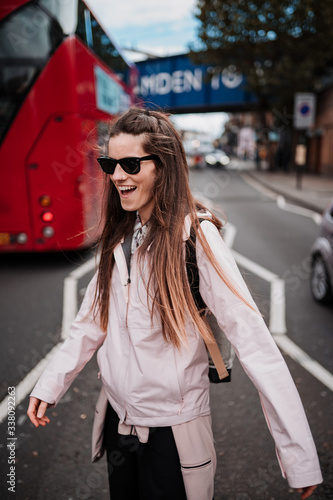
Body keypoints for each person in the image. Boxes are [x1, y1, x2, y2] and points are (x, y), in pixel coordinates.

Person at [27, 107, 322, 499]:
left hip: (174, 433)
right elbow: (90, 322)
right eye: (110, 163)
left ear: (163, 166)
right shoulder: (119, 237)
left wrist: (299, 456)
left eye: (130, 164)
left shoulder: (195, 239)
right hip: (119, 423)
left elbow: (255, 343)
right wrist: (50, 384)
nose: (117, 176)